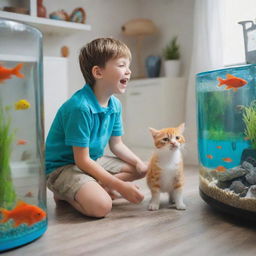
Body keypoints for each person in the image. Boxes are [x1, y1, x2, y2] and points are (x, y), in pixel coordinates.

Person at [45, 38, 147, 218]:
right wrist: (120, 186)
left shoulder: (114, 104)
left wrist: (139, 162)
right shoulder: (79, 107)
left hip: (91, 160)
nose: (129, 71)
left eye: (128, 65)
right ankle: (64, 194)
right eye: (122, 65)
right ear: (98, 72)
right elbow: (81, 161)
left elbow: (117, 145)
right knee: (101, 207)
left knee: (137, 169)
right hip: (62, 167)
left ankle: (91, 187)